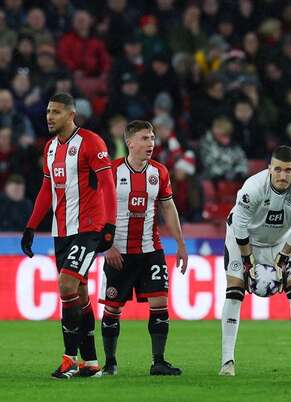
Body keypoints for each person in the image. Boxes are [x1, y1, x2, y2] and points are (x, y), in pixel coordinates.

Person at [20, 93, 117, 379]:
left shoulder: (91, 142)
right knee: (79, 293)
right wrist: (30, 226)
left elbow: (108, 185)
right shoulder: (50, 148)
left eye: (56, 112)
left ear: (71, 115)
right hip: (60, 231)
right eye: (48, 111)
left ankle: (69, 359)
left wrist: (109, 226)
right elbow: (44, 191)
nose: (49, 117)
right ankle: (90, 362)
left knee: (65, 286)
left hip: (88, 228)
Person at [98, 120, 188, 376]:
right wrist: (107, 245)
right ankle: (110, 362)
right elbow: (98, 210)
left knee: (160, 301)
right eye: (145, 138)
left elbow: (168, 207)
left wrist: (180, 244)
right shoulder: (112, 171)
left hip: (151, 249)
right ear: (130, 143)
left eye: (152, 138)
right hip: (119, 252)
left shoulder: (159, 172)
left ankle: (158, 361)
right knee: (113, 308)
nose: (151, 143)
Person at [219, 146, 291, 377]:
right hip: (244, 239)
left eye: (288, 170)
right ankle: (227, 362)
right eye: (278, 170)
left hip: (279, 242)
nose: (283, 175)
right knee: (234, 291)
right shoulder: (252, 188)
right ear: (269, 169)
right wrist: (247, 261)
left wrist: (283, 260)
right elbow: (240, 226)